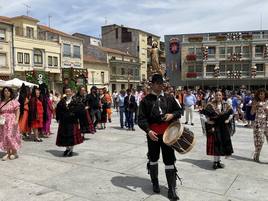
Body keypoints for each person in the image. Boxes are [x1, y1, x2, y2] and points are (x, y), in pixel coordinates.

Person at [138, 74, 182, 200]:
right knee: (153, 158)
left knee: (169, 160)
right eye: (157, 83)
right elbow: (141, 119)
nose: (160, 85)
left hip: (168, 135)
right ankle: (155, 182)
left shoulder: (169, 98)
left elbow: (180, 111)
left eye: (161, 83)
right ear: (152, 84)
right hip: (153, 135)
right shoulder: (145, 101)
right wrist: (148, 131)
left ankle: (172, 189)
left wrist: (172, 115)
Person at [202, 91, 234, 169]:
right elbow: (203, 114)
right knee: (216, 144)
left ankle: (218, 162)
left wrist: (228, 120)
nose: (218, 96)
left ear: (222, 96)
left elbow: (232, 113)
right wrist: (208, 121)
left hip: (223, 128)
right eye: (217, 95)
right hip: (214, 127)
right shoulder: (210, 105)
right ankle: (215, 162)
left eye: (220, 95)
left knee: (221, 144)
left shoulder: (226, 105)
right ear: (214, 96)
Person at [56, 87, 84, 157]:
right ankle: (67, 149)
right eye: (66, 92)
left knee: (71, 136)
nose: (68, 93)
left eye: (69, 91)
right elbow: (58, 109)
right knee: (65, 136)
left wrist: (75, 114)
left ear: (71, 92)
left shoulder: (76, 100)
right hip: (64, 121)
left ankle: (71, 150)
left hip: (73, 121)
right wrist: (58, 118)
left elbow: (81, 109)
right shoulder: (62, 101)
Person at [0, 87, 21, 160]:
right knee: (5, 137)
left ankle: (14, 152)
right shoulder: (1, 102)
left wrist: (17, 120)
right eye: (5, 91)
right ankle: (8, 153)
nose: (7, 92)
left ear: (11, 92)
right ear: (3, 92)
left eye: (8, 91)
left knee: (11, 136)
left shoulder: (13, 101)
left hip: (11, 121)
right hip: (3, 122)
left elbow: (18, 111)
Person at [250, 88, 268, 162]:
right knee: (260, 140)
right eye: (259, 94)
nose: (260, 95)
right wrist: (254, 107)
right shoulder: (255, 102)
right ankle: (257, 155)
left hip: (267, 123)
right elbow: (252, 113)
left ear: (265, 94)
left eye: (262, 94)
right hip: (258, 123)